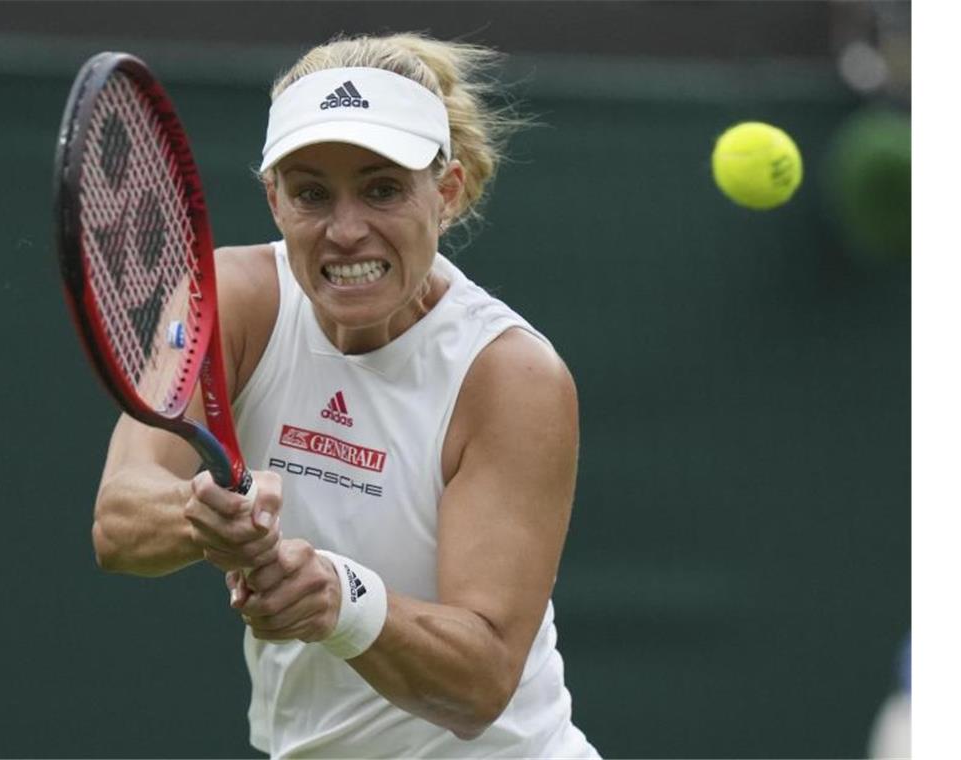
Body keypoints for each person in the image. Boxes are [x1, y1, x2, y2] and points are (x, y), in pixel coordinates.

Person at [92, 32, 599, 758]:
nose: (347, 230)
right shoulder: (227, 302)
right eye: (311, 193)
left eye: (383, 188)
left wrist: (341, 599)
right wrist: (205, 516)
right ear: (274, 200)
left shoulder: (509, 375)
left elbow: (480, 682)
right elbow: (119, 522)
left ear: (446, 192)